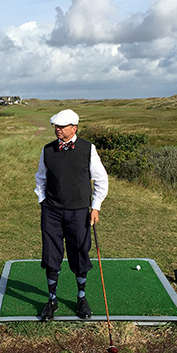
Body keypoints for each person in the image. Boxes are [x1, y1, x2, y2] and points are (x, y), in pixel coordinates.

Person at [35, 109, 109, 321]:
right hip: (52, 211)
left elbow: (101, 179)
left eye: (61, 127)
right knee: (51, 254)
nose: (57, 130)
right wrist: (43, 201)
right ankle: (51, 300)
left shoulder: (87, 148)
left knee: (79, 253)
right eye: (56, 127)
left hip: (79, 211)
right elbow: (41, 177)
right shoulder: (48, 150)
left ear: (74, 128)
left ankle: (81, 298)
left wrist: (95, 207)